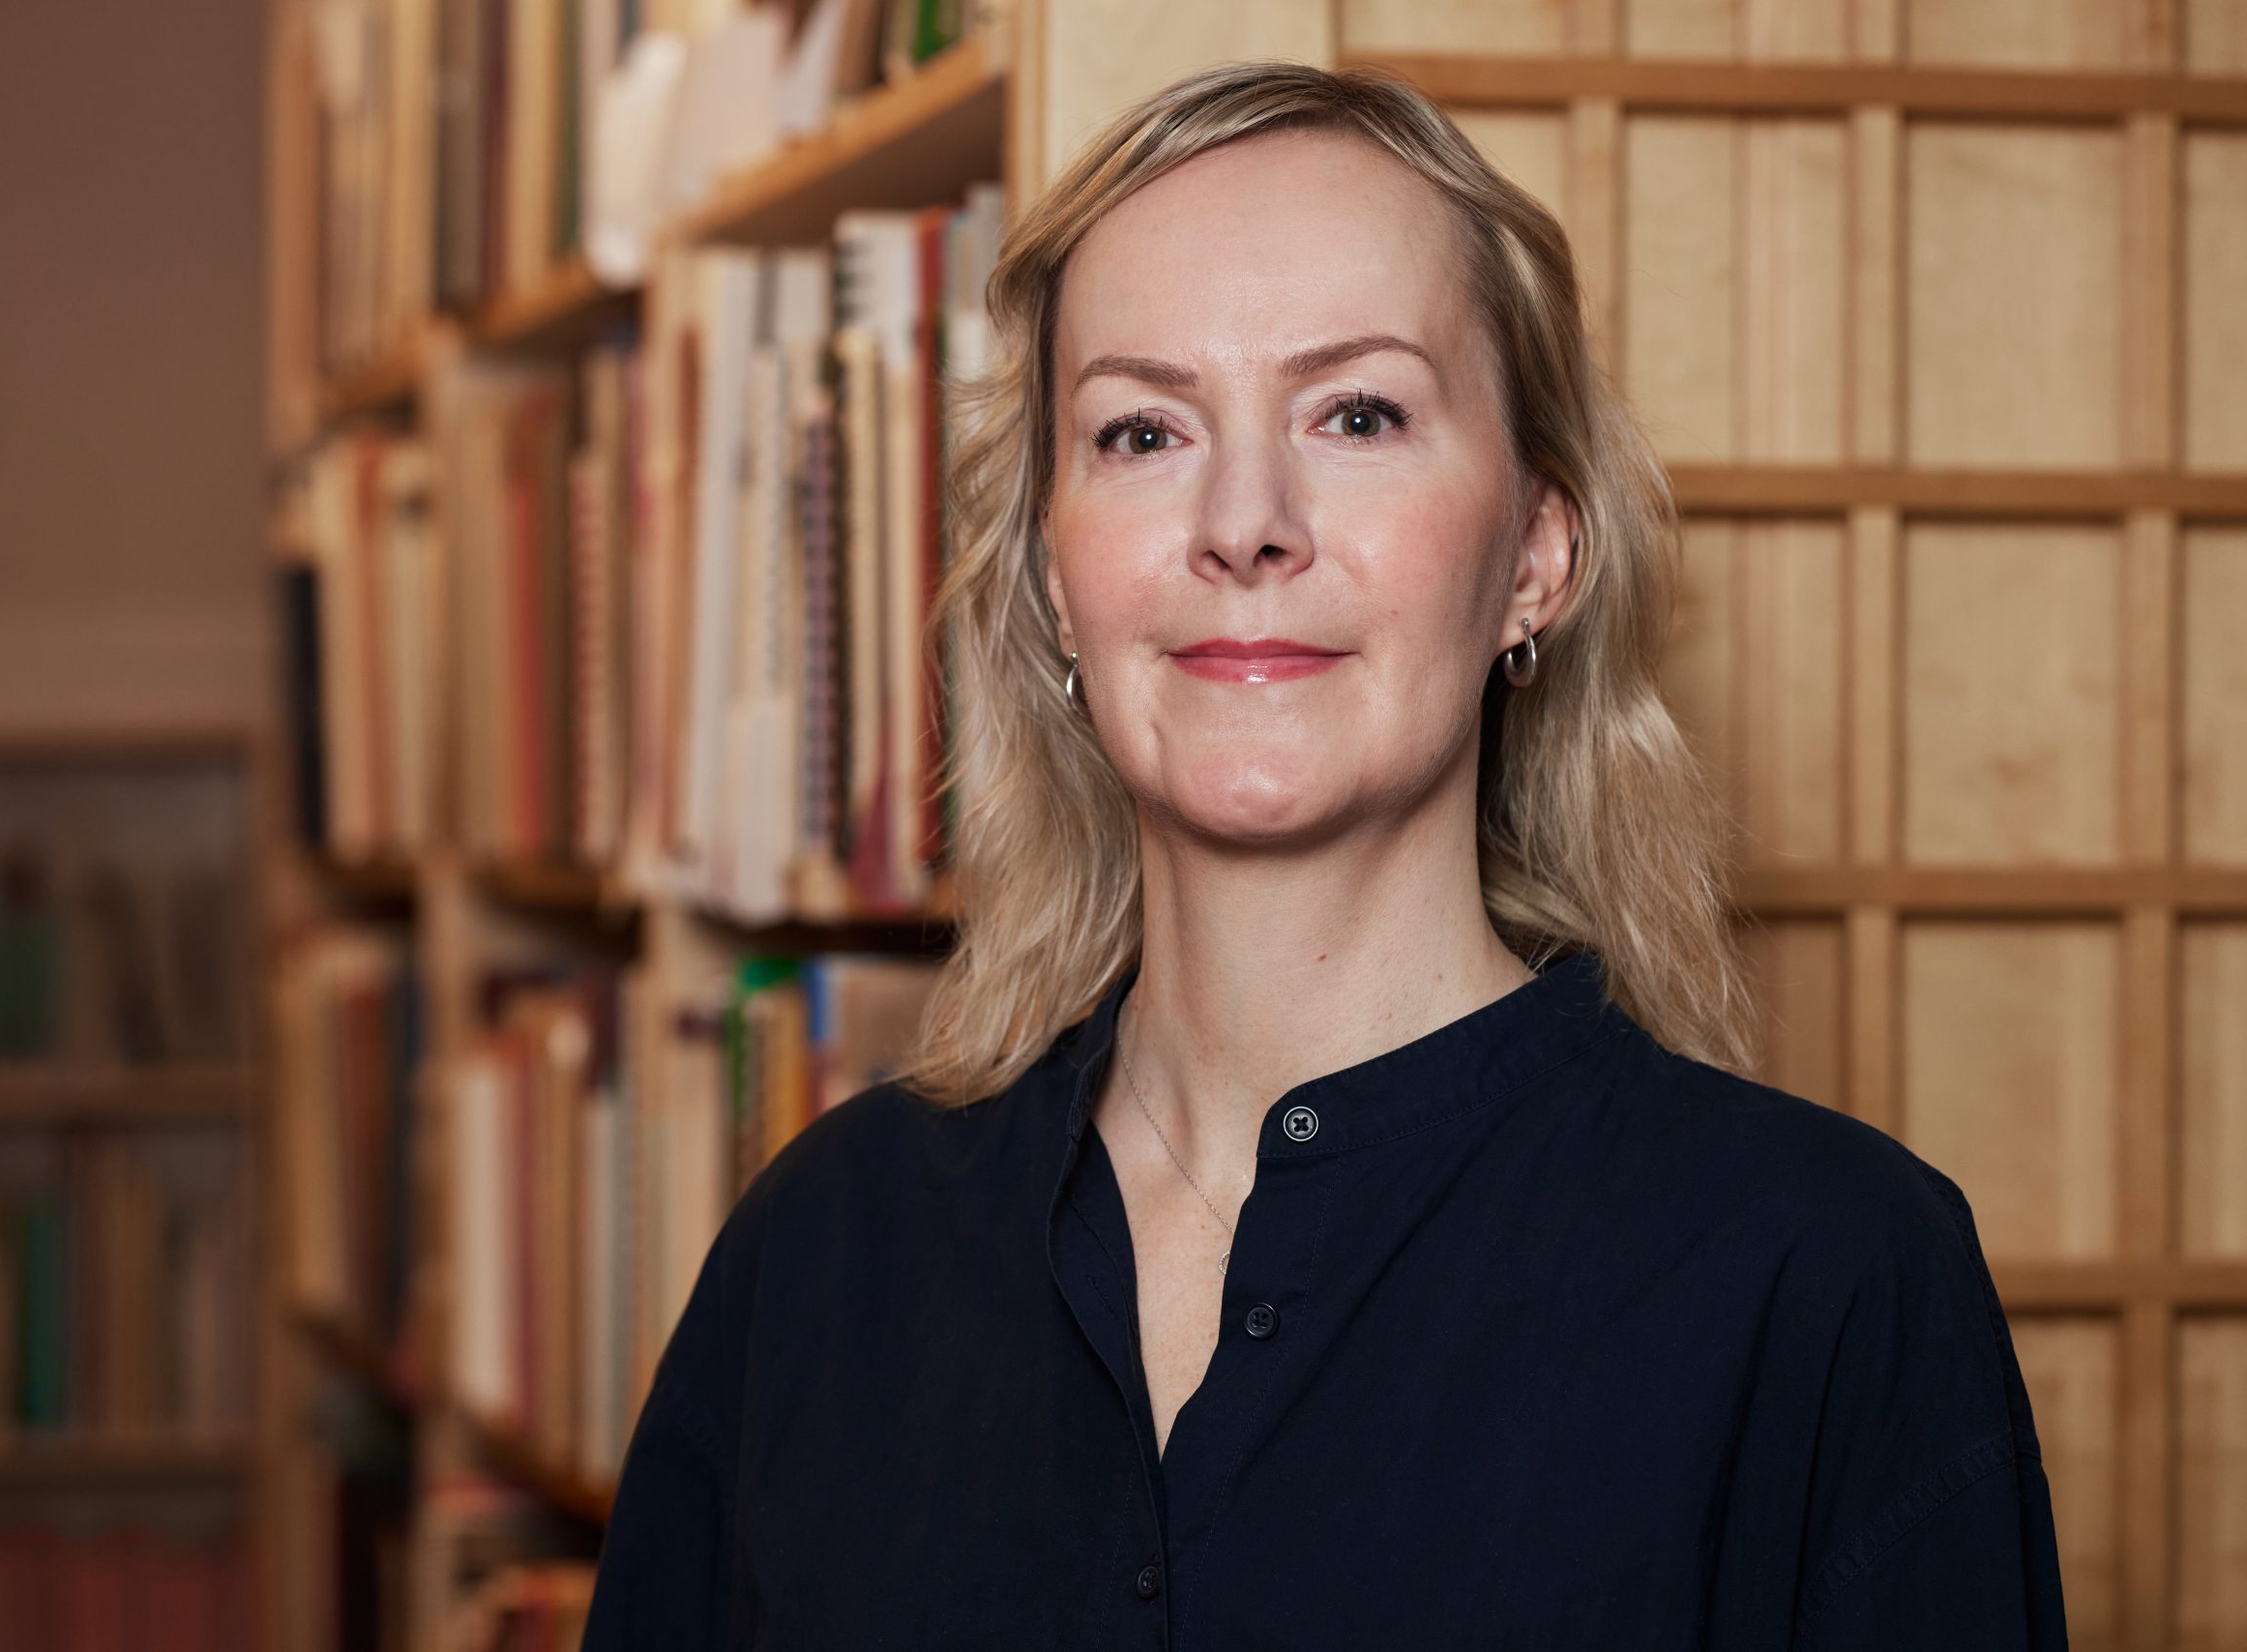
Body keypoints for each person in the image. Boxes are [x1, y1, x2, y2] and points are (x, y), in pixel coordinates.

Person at [580, 60, 2067, 1649]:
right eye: (1143, 430)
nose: (1246, 521)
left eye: (1358, 414)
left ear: (1537, 555)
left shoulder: (1830, 1279)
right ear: (1057, 584)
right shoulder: (819, 1253)